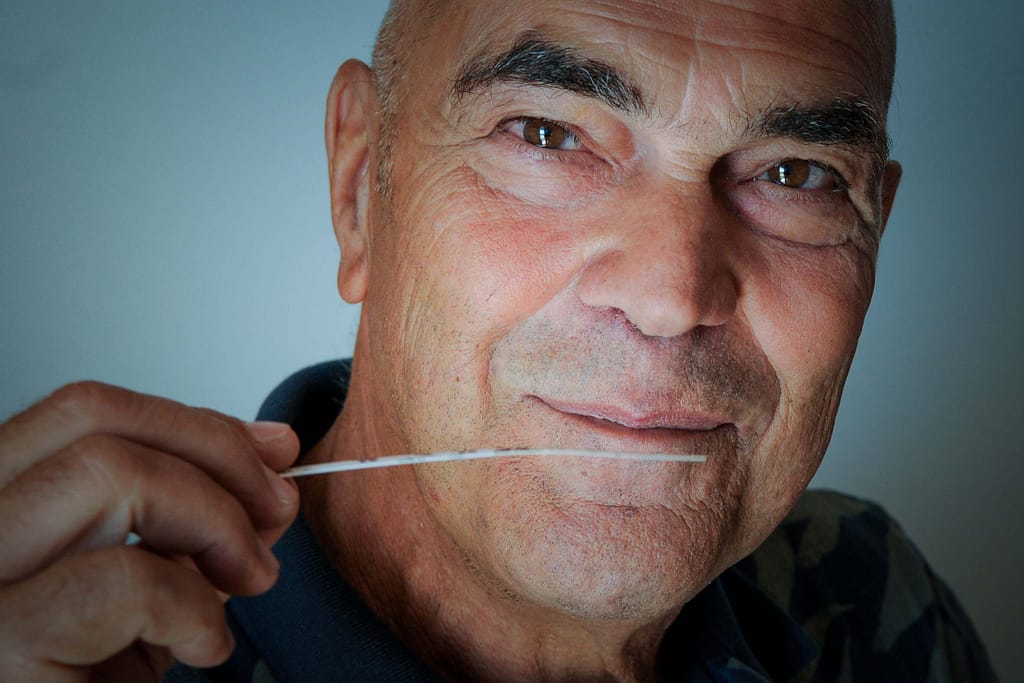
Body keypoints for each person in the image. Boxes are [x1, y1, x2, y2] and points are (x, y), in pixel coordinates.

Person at [0, 0, 997, 680]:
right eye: (548, 133)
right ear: (360, 186)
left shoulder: (864, 601)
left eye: (794, 174)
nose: (670, 294)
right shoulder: (98, 655)